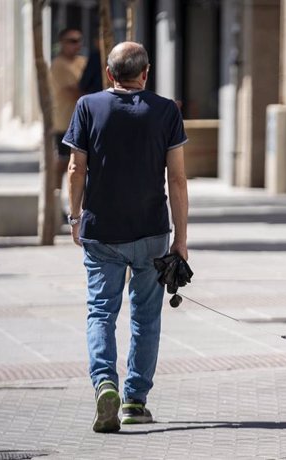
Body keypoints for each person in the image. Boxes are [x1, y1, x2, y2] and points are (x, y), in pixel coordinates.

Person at [63, 41, 189, 433]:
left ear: (109, 74)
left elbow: (74, 167)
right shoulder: (166, 111)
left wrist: (74, 216)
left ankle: (105, 385)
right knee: (146, 317)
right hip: (152, 231)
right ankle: (135, 400)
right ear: (146, 73)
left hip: (102, 230)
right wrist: (181, 240)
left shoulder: (88, 107)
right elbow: (178, 179)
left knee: (101, 311)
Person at [51, 28, 87, 191]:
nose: (77, 45)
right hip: (65, 122)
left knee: (80, 165)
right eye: (72, 41)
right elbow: (74, 92)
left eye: (79, 40)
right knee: (65, 162)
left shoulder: (83, 61)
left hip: (84, 122)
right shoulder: (59, 65)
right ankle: (57, 197)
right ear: (62, 43)